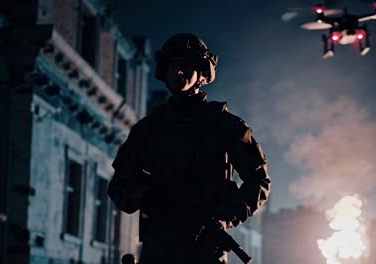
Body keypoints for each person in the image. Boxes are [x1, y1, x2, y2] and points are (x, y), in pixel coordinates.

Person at [108, 33, 271, 264]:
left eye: (186, 65)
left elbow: (259, 182)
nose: (178, 72)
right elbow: (119, 186)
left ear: (203, 73)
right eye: (173, 65)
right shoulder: (148, 130)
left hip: (206, 247)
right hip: (160, 246)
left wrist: (226, 216)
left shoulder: (226, 127)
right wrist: (151, 196)